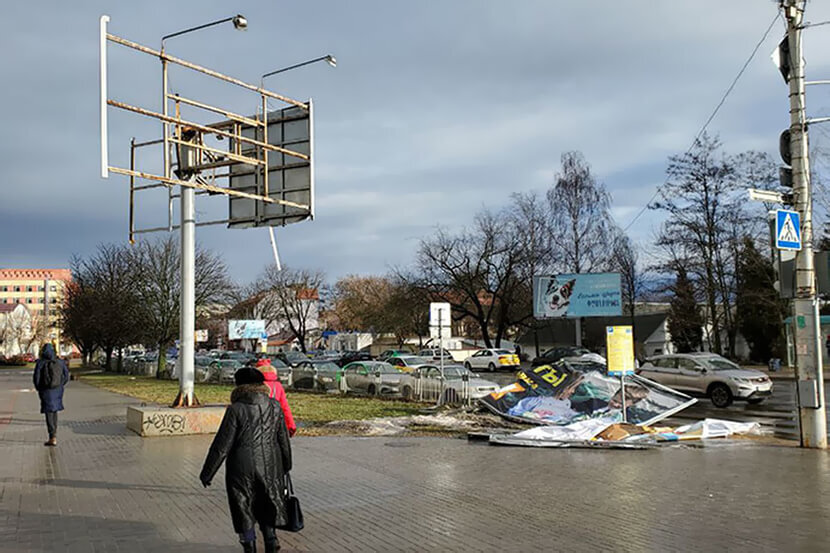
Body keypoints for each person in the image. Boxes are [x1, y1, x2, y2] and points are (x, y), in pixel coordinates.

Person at [200, 368, 292, 553]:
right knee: (268, 504)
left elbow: (222, 445)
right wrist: (286, 464)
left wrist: (207, 473)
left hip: (240, 468)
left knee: (243, 508)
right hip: (270, 465)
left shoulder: (236, 409)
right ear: (261, 385)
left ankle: (249, 544)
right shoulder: (275, 406)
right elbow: (283, 439)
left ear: (239, 386)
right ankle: (271, 541)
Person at [32, 343, 69, 447]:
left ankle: (52, 437)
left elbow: (36, 378)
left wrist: (39, 389)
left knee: (48, 413)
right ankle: (54, 435)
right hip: (57, 390)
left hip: (45, 391)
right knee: (54, 412)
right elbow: (66, 376)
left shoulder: (41, 363)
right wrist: (60, 385)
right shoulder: (60, 362)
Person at [256, 358, 297, 437]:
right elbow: (285, 407)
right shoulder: (278, 386)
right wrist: (291, 426)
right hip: (274, 421)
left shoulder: (255, 384)